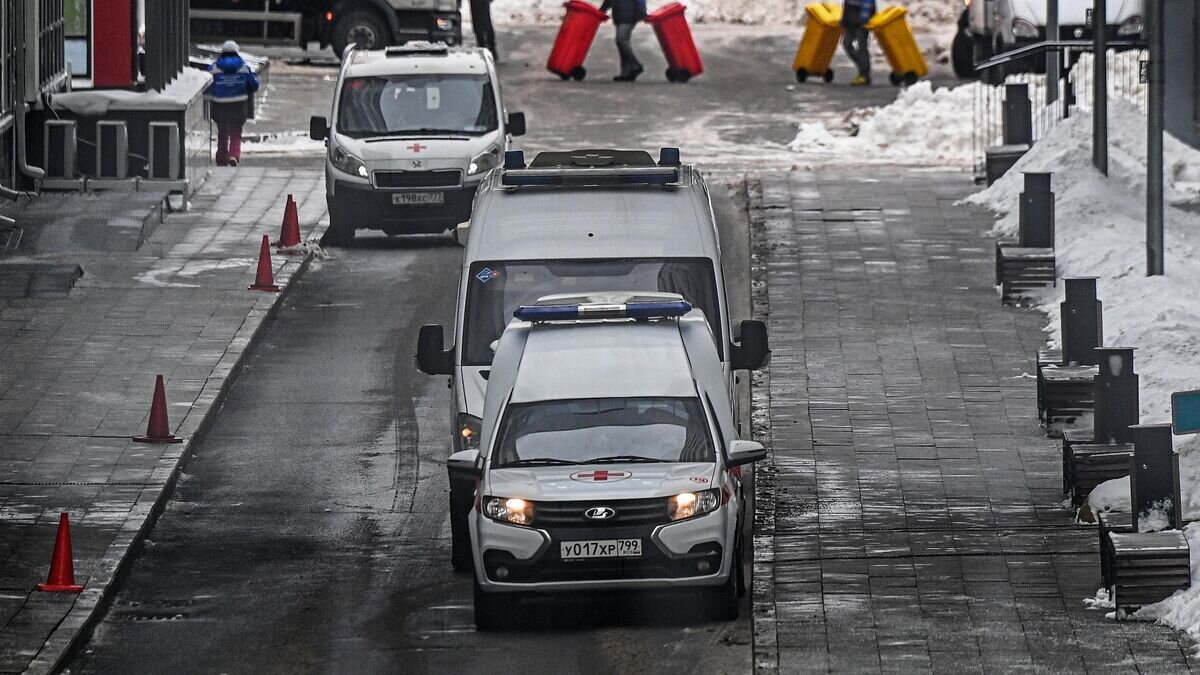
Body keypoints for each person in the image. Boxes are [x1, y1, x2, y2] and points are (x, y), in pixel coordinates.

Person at [209, 40, 260, 167]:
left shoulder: (214, 68)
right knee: (236, 133)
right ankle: (233, 156)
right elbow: (253, 85)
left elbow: (207, 84)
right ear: (237, 52)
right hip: (239, 105)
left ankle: (221, 159)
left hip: (219, 105)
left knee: (222, 133)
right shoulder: (244, 67)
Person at [600, 0, 646, 82]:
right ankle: (626, 72)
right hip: (619, 15)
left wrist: (641, 13)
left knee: (621, 40)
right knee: (622, 42)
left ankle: (635, 65)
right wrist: (601, 11)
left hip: (630, 16)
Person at [841, 0, 876, 86]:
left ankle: (863, 74)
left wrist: (864, 19)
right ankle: (863, 68)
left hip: (861, 22)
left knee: (862, 47)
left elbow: (868, 3)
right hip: (851, 21)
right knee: (847, 44)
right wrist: (845, 19)